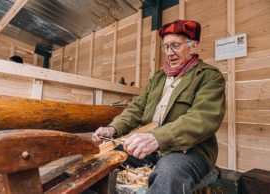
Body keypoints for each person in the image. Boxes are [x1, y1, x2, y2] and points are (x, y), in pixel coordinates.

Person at [92, 20, 225, 194]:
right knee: (103, 160)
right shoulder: (159, 77)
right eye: (166, 47)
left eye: (175, 46)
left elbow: (204, 117)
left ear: (194, 46)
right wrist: (113, 129)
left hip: (189, 151)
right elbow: (137, 107)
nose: (169, 53)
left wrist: (157, 138)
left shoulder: (209, 77)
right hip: (152, 147)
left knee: (169, 174)